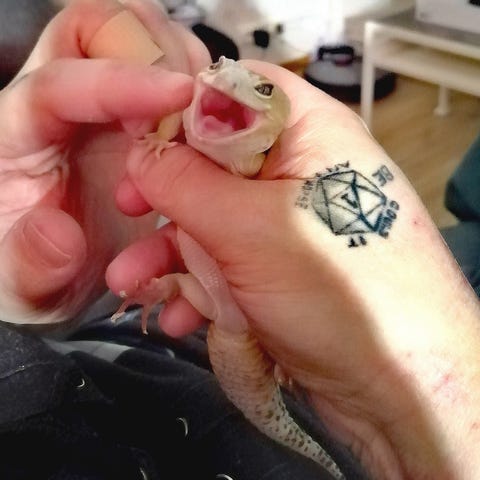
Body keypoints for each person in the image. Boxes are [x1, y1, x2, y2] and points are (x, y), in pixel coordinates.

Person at [1, 1, 480, 479]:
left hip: (223, 329)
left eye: (262, 88)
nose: (227, 83)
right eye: (216, 70)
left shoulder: (261, 188)